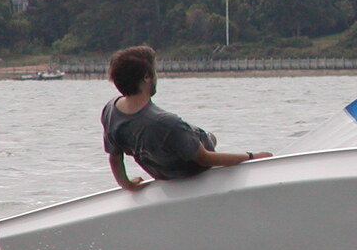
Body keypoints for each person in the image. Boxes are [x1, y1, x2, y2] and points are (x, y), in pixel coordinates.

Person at [101, 45, 272, 190]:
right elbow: (204, 159)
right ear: (146, 77)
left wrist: (127, 185)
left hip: (162, 170)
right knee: (207, 138)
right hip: (190, 171)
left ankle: (206, 138)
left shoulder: (111, 111)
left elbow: (115, 158)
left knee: (203, 136)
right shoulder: (165, 122)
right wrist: (252, 157)